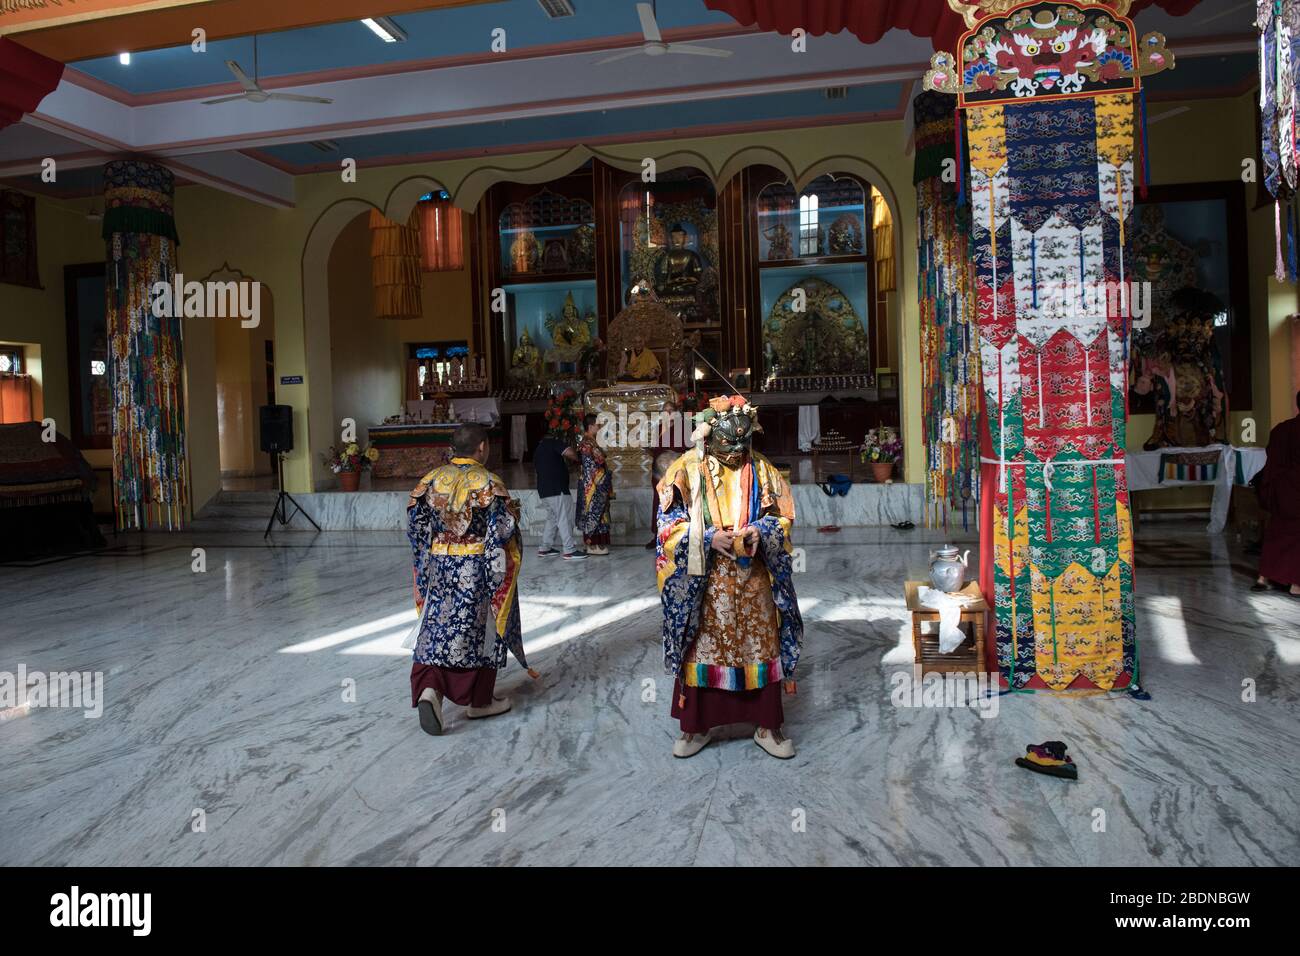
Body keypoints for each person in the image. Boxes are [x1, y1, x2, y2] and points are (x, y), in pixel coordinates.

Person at [654, 395, 803, 759]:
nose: (736, 450)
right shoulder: (684, 471)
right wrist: (705, 537)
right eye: (728, 443)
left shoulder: (763, 469)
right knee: (703, 648)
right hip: (706, 581)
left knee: (760, 644)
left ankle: (767, 724)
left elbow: (781, 518)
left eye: (743, 442)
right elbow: (668, 527)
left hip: (752, 578)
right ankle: (696, 727)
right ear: (708, 436)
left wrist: (760, 532)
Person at [408, 423, 528, 736]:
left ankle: (429, 689)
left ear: (453, 449)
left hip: (439, 565)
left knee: (437, 627)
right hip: (476, 566)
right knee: (483, 629)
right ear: (482, 447)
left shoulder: (431, 480)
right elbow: (502, 530)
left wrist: (429, 558)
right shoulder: (489, 482)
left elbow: (416, 527)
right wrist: (496, 567)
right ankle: (479, 700)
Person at [1254, 391, 1300, 596]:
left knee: (1277, 533)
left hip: (1281, 491)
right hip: (1297, 491)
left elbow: (1271, 460)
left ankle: (1263, 577)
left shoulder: (1281, 429)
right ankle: (1295, 585)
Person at [534, 426, 585, 560]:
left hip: (544, 490)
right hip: (557, 489)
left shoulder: (539, 449)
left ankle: (545, 547)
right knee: (564, 518)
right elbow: (570, 453)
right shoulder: (553, 442)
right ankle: (569, 550)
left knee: (553, 518)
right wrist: (579, 457)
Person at [646, 399, 686, 549]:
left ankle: (676, 534)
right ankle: (657, 535)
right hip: (659, 472)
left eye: (670, 411)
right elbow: (655, 448)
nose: (668, 413)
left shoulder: (682, 428)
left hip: (674, 472)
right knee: (658, 501)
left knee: (675, 501)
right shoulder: (659, 428)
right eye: (665, 411)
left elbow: (685, 449)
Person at [575, 413, 613, 555]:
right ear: (591, 426)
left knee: (597, 513)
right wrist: (603, 477)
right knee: (593, 513)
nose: (599, 427)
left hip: (594, 483)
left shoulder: (590, 441)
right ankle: (593, 545)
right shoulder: (587, 443)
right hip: (592, 485)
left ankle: (595, 544)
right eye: (597, 425)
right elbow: (590, 467)